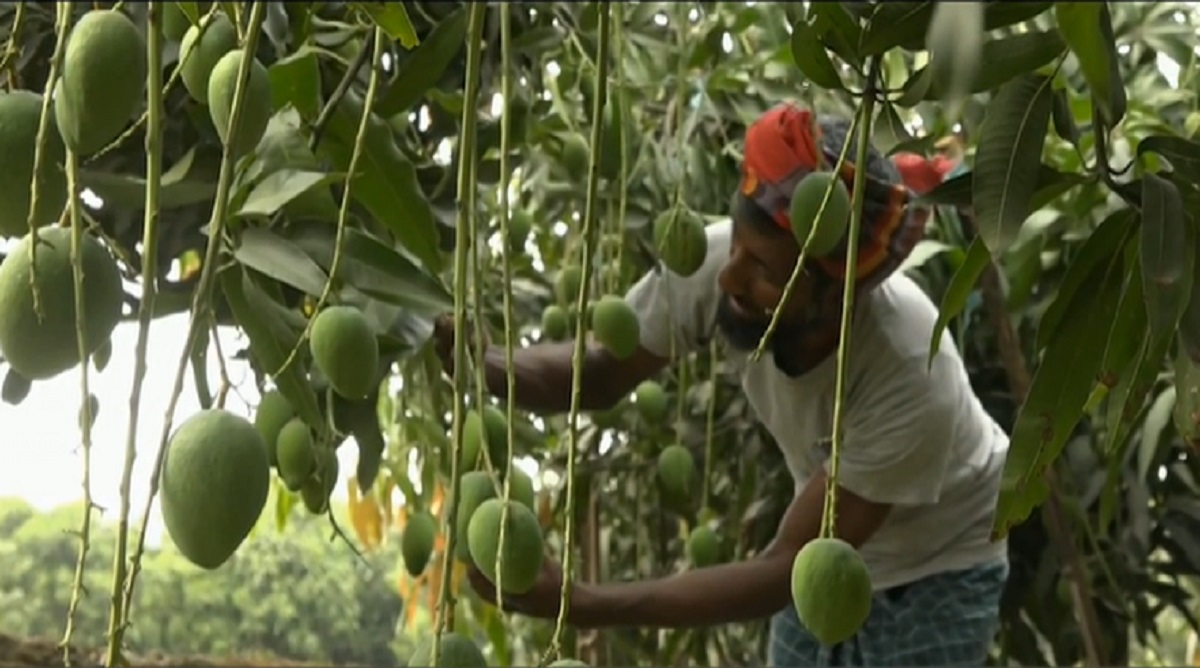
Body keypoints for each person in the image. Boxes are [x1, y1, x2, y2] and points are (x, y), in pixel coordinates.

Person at [432, 103, 1011, 667]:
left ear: (836, 298)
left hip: (942, 563)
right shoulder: (720, 265)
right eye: (737, 244)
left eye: (763, 270)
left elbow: (786, 567)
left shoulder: (909, 373)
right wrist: (487, 364)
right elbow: (603, 374)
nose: (731, 274)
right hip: (822, 559)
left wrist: (580, 603)